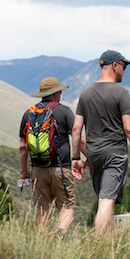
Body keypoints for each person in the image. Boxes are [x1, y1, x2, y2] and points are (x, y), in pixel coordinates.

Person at [72, 50, 130, 237]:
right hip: (114, 155)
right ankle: (99, 246)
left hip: (94, 156)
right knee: (106, 201)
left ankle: (109, 245)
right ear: (115, 65)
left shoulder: (86, 93)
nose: (124, 71)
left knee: (106, 199)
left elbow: (76, 129)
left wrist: (76, 157)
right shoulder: (121, 93)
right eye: (123, 66)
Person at [19, 77, 86, 233]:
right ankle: (60, 232)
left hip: (37, 169)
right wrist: (87, 157)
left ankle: (43, 243)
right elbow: (79, 137)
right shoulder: (64, 111)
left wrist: (24, 173)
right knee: (67, 206)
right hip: (61, 169)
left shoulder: (29, 113)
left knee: (42, 208)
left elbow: (23, 147)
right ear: (57, 93)